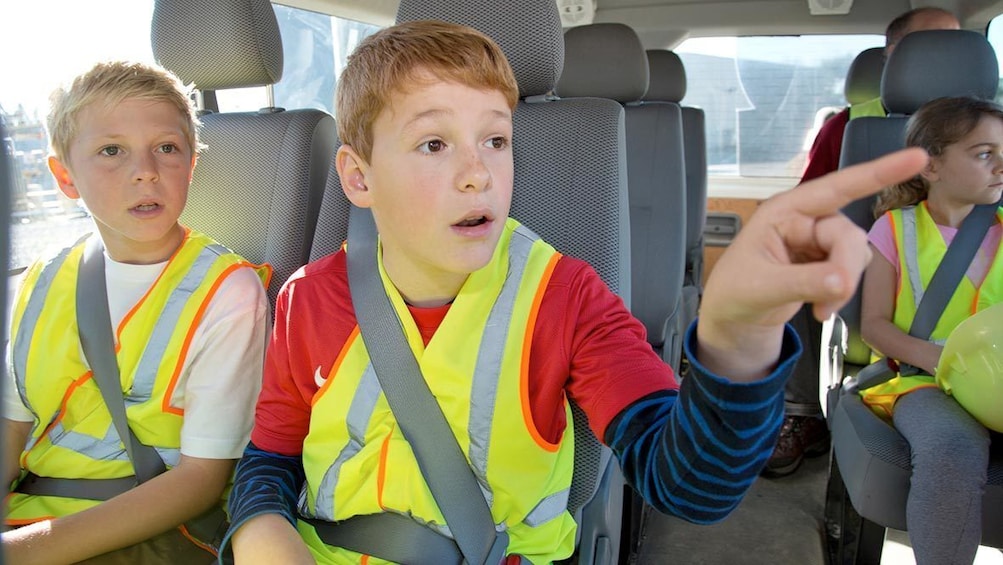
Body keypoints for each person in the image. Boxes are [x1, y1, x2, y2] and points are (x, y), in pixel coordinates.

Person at [223, 21, 928, 564]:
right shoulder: (309, 297)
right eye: (434, 144)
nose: (478, 174)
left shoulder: (565, 296)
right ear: (358, 177)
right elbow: (272, 455)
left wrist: (737, 339)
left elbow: (687, 483)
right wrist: (260, 529)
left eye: (495, 141)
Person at [1, 61, 271, 564]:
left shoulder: (226, 291)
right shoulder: (42, 279)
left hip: (153, 530)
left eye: (166, 148)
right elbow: (12, 425)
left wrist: (21, 552)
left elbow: (200, 481)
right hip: (28, 514)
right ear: (65, 176)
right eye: (111, 151)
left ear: (191, 164)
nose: (145, 169)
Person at [765, 6, 961, 478]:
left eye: (957, 46)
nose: (948, 58)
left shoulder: (991, 135)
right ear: (894, 56)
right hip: (868, 272)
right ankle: (802, 410)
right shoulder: (854, 124)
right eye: (932, 47)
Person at [859, 96, 1002, 564]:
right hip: (925, 381)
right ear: (931, 166)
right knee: (951, 447)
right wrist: (942, 361)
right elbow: (874, 326)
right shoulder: (894, 231)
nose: (1001, 165)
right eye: (985, 154)